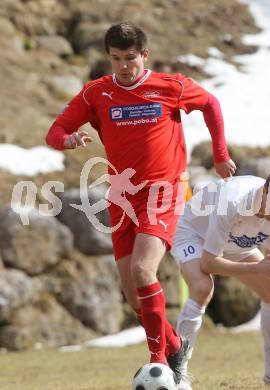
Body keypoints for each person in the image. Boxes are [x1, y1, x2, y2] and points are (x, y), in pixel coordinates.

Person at [45, 21, 236, 384]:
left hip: (164, 191)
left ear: (144, 55)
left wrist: (219, 153)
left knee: (144, 272)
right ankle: (175, 346)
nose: (123, 66)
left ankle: (160, 362)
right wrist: (68, 141)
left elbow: (210, 104)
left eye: (130, 58)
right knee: (135, 299)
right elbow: (54, 131)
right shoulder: (96, 94)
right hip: (121, 197)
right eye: (116, 58)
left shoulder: (170, 86)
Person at [171, 167, 270, 389]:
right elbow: (209, 263)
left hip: (235, 241)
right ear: (264, 190)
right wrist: (259, 268)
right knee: (202, 287)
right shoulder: (233, 201)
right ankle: (177, 373)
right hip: (194, 234)